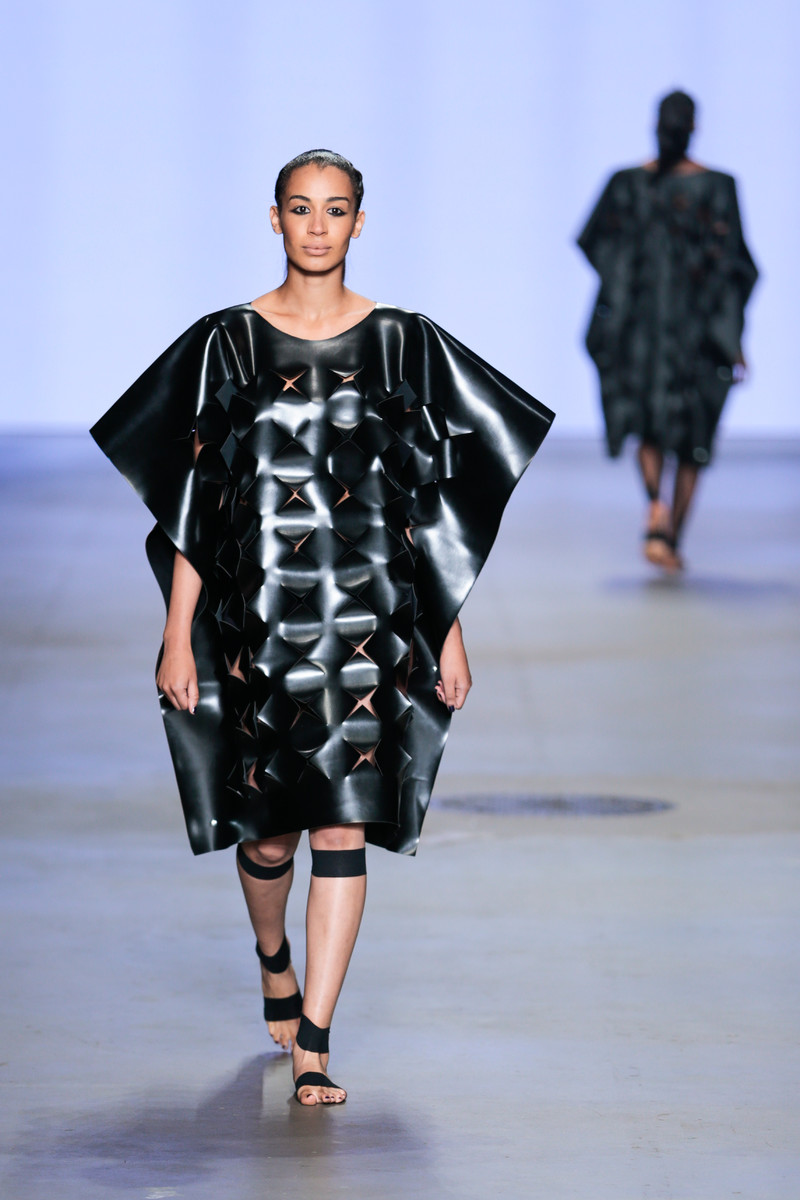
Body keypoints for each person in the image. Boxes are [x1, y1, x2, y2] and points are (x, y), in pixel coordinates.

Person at [92, 149, 553, 1105]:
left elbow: (426, 503)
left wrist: (447, 627)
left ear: (358, 222)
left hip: (367, 620)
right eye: (300, 208)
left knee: (343, 823)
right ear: (275, 219)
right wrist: (178, 635)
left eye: (335, 209)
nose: (317, 226)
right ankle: (274, 956)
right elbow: (196, 501)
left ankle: (315, 1043)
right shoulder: (227, 342)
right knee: (268, 840)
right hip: (255, 619)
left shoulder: (399, 343)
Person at [577, 92, 758, 572]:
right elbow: (734, 269)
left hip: (663, 328)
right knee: (678, 428)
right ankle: (666, 528)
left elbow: (597, 243)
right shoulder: (685, 186)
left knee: (664, 424)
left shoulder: (634, 184)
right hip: (674, 328)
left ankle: (660, 518)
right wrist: (731, 336)